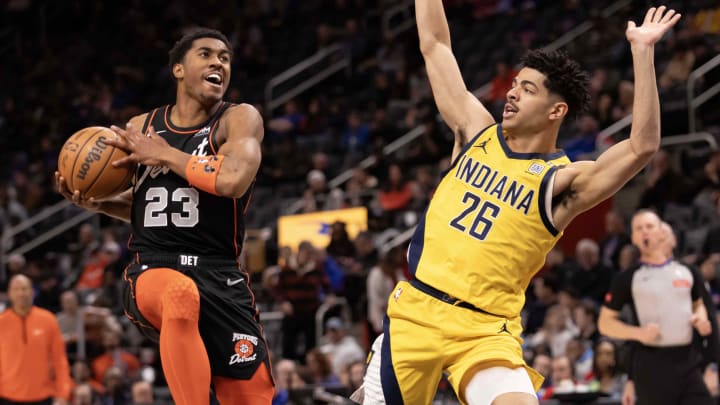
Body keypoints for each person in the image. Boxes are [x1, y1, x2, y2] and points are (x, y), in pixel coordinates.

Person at [382, 3, 681, 404]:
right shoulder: (476, 132)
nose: (512, 93)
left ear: (556, 111)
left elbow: (642, 147)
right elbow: (435, 45)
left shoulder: (562, 181)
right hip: (416, 312)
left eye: (528, 89)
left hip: (485, 331)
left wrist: (642, 53)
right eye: (515, 84)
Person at [55, 28, 272, 405]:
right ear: (178, 69)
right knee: (178, 294)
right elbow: (146, 207)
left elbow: (234, 180)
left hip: (220, 274)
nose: (218, 62)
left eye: (224, 57)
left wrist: (166, 155)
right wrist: (100, 203)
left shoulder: (238, 119)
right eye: (205, 54)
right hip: (155, 269)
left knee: (252, 395)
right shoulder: (141, 127)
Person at [598, 210, 714, 405]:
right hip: (651, 365)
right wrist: (638, 333)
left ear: (662, 232)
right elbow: (605, 324)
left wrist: (700, 318)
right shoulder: (627, 278)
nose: (645, 232)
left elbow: (698, 304)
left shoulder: (686, 271)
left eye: (649, 227)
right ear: (633, 238)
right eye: (639, 229)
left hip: (688, 361)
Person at [0, 274, 72, 405]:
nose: (21, 293)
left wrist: (63, 393)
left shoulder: (48, 320)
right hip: (6, 397)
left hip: (43, 396)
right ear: (9, 294)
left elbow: (60, 360)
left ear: (32, 292)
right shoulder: (1, 322)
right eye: (16, 289)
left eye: (24, 288)